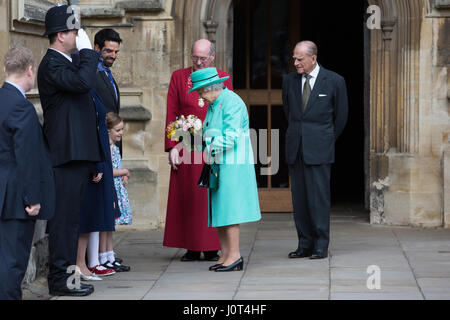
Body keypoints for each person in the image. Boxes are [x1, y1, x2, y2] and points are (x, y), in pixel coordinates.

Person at [37, 4, 104, 296]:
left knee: (71, 219)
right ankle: (60, 281)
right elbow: (82, 82)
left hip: (75, 154)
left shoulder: (65, 61)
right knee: (63, 221)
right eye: (75, 30)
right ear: (61, 34)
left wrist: (84, 56)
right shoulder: (52, 64)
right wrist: (90, 53)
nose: (78, 35)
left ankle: (68, 279)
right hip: (64, 156)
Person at [163, 39, 233, 262]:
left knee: (210, 196)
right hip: (187, 145)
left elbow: (228, 111)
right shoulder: (178, 77)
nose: (198, 62)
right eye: (195, 57)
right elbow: (171, 111)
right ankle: (191, 247)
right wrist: (172, 146)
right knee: (190, 198)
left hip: (214, 145)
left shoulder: (223, 78)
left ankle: (213, 247)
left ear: (212, 57)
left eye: (203, 58)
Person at [189, 67, 261, 271]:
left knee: (230, 210)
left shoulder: (231, 101)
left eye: (201, 90)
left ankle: (235, 256)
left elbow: (232, 135)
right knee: (219, 209)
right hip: (219, 162)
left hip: (233, 164)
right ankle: (225, 255)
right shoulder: (215, 103)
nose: (199, 95)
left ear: (210, 87)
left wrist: (209, 146)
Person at [282, 41, 348, 260]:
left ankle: (321, 245)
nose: (296, 63)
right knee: (299, 199)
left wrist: (324, 138)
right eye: (294, 58)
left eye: (300, 59)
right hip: (296, 148)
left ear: (313, 58)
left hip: (320, 148)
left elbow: (341, 117)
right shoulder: (289, 81)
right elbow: (289, 112)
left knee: (318, 198)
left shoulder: (335, 81)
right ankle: (304, 244)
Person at [0, 47, 55, 300]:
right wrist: (32, 199)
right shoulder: (21, 107)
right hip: (14, 199)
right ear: (30, 70)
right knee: (12, 264)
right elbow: (27, 157)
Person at [76, 89, 119, 281]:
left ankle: (93, 261)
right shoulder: (83, 90)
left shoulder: (92, 91)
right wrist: (97, 163)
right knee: (89, 218)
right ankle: (87, 262)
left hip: (96, 162)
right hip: (90, 163)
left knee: (95, 218)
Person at [107, 112, 133, 226]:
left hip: (118, 187)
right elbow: (109, 171)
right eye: (118, 130)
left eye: (122, 129)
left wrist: (123, 175)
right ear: (108, 131)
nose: (121, 133)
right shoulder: (109, 148)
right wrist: (125, 171)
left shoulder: (115, 147)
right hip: (112, 188)